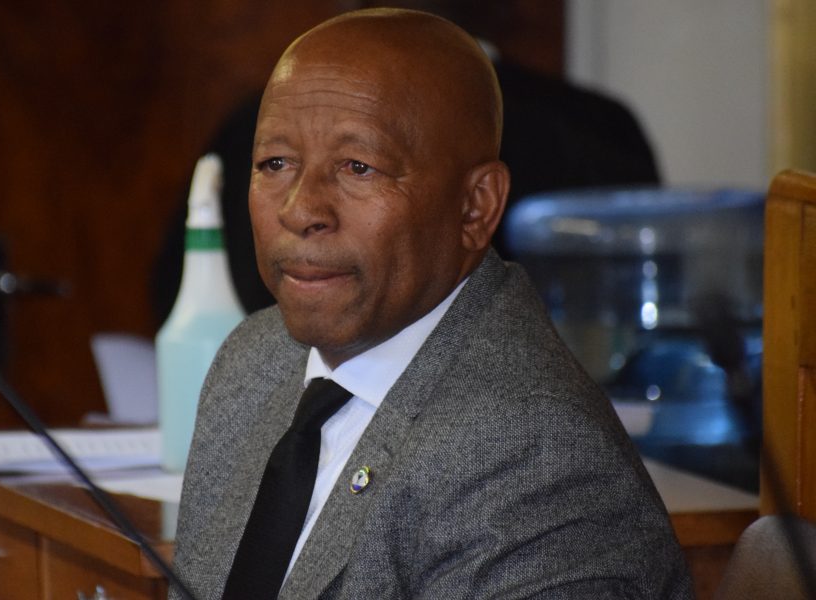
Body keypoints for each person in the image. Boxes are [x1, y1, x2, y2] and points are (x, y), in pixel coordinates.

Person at [171, 8, 691, 599]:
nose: (300, 209)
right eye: (275, 164)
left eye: (358, 167)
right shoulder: (254, 358)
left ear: (475, 206)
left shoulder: (532, 457)